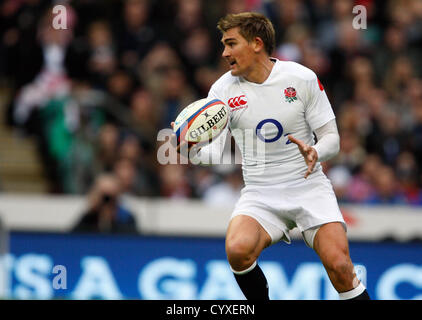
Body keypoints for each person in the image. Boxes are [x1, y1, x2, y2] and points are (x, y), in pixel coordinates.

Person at [172, 12, 370, 300]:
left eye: (231, 43)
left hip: (308, 187)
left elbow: (332, 139)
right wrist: (192, 151)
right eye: (223, 45)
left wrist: (316, 151)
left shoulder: (301, 78)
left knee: (340, 266)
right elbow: (217, 151)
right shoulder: (222, 90)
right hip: (260, 192)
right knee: (237, 250)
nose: (224, 52)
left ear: (256, 43)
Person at [72, 173, 138, 234]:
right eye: (104, 197)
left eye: (110, 198)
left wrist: (111, 218)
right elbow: (74, 239)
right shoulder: (88, 219)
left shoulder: (127, 219)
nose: (106, 202)